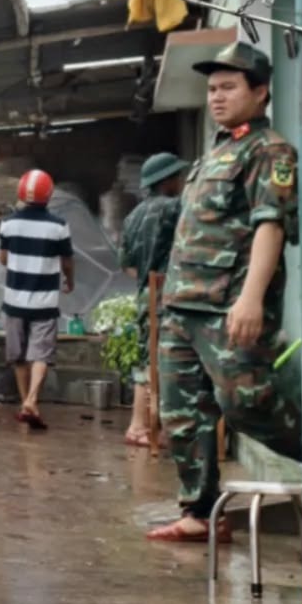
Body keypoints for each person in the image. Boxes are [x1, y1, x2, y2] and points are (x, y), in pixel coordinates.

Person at [146, 42, 302, 545]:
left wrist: (249, 299)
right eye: (212, 89)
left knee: (247, 404)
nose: (217, 97)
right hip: (183, 305)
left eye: (228, 87)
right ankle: (200, 512)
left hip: (229, 305)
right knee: (183, 413)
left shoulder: (270, 151)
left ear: (261, 91)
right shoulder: (218, 151)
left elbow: (269, 228)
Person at [118, 151, 187, 446]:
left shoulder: (133, 215)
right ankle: (142, 426)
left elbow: (127, 265)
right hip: (170, 292)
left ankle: (142, 425)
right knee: (163, 360)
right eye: (177, 177)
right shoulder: (175, 209)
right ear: (168, 180)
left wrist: (148, 281)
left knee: (148, 357)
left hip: (146, 292)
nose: (181, 181)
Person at [0, 170, 73, 430]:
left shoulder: (8, 224)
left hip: (14, 298)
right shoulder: (59, 226)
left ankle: (25, 402)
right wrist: (69, 280)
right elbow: (67, 261)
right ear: (49, 195)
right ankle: (32, 400)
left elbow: (3, 258)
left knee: (18, 355)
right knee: (41, 353)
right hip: (45, 300)